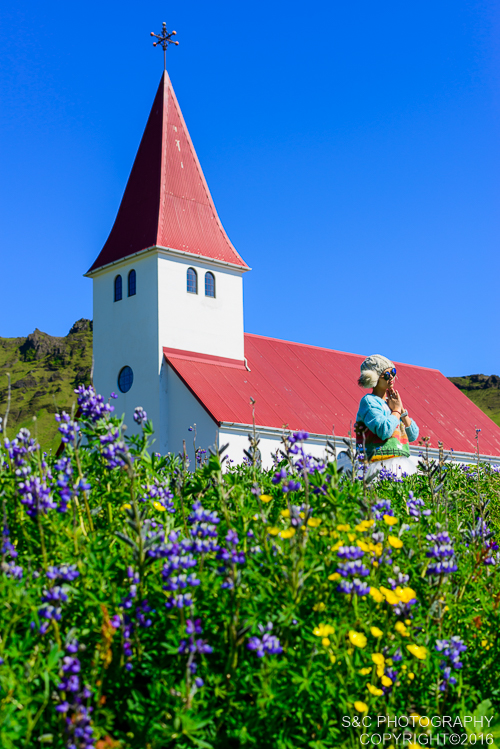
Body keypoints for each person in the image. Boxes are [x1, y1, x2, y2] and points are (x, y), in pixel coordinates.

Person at [355, 354, 419, 479]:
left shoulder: (391, 403)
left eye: (393, 372)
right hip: (377, 462)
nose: (392, 377)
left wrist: (401, 410)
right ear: (374, 378)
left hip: (400, 462)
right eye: (386, 374)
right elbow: (384, 431)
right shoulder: (369, 402)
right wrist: (396, 411)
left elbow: (413, 435)